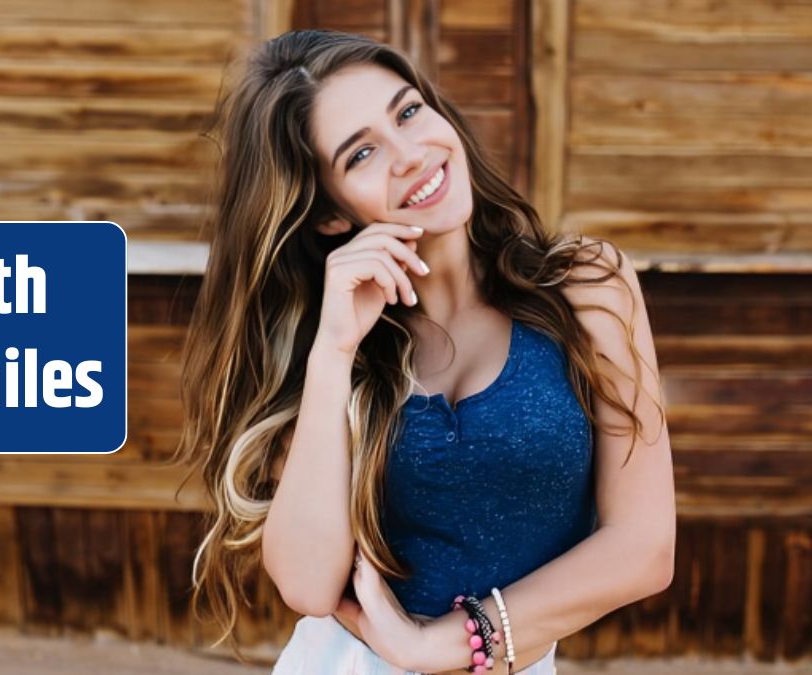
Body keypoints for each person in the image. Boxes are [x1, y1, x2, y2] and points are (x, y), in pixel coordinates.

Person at [175, 30, 675, 674]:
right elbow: (305, 584)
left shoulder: (585, 286)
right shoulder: (321, 338)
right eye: (361, 155)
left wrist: (445, 644)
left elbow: (644, 547)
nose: (411, 154)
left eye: (409, 112)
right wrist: (332, 351)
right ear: (330, 214)